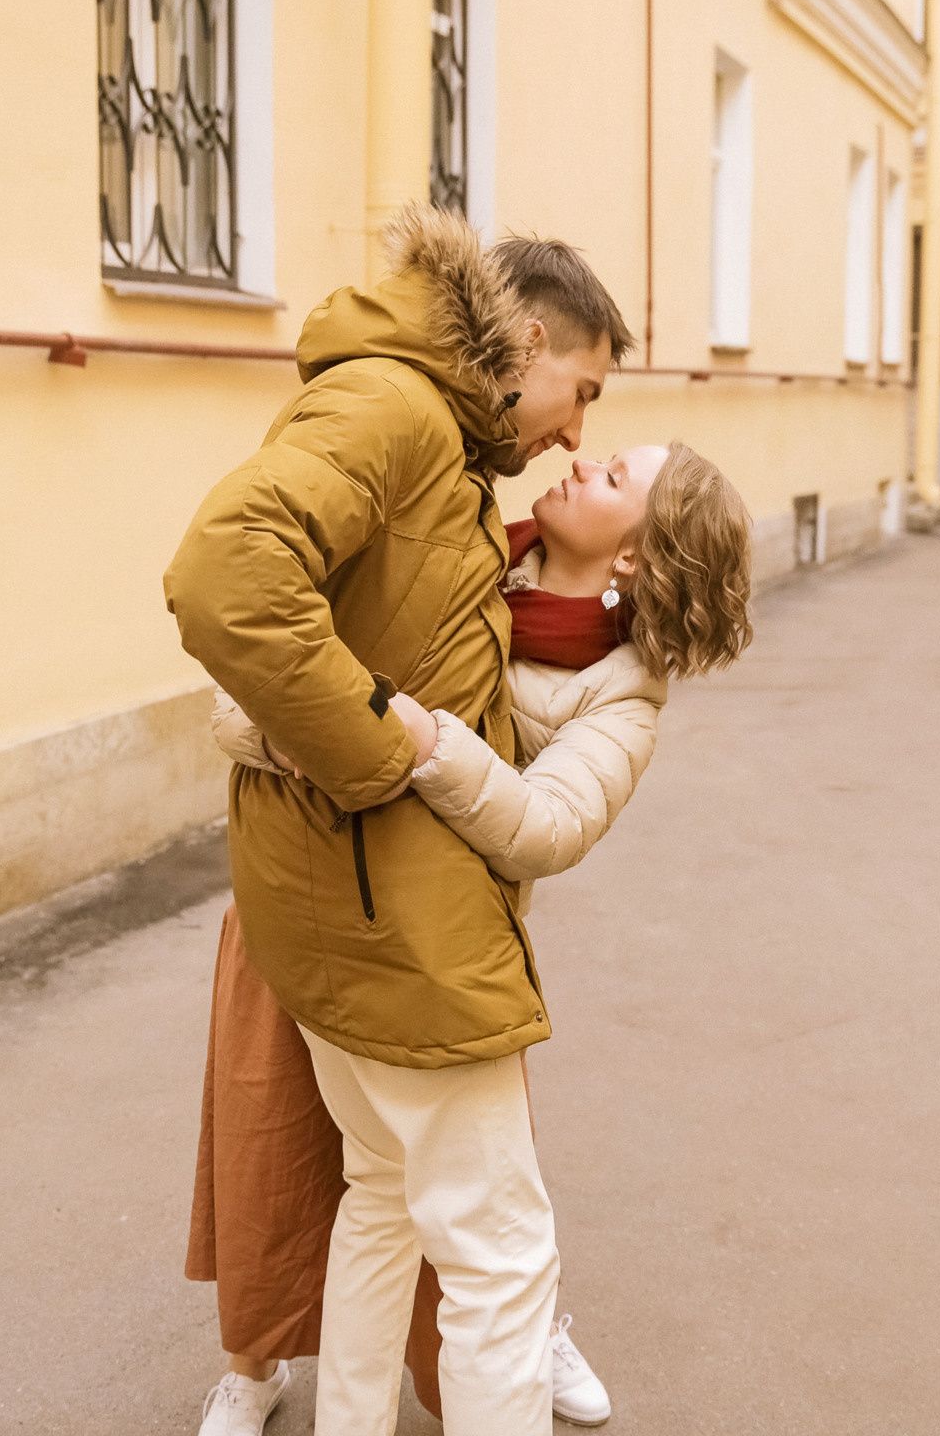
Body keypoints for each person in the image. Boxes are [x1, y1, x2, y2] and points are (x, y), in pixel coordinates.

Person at [164, 204, 630, 1436]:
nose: (576, 433)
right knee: (501, 1257)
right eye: (577, 392)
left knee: (378, 1196)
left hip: (345, 899)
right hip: (393, 913)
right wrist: (373, 747)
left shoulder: (435, 433)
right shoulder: (398, 408)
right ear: (526, 339)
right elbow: (224, 576)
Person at [196, 439, 755, 1432]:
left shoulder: (620, 689)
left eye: (616, 477)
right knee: (501, 1255)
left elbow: (547, 829)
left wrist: (421, 739)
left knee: (380, 1200)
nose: (582, 459)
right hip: (344, 929)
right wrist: (313, 736)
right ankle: (257, 1367)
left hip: (429, 949)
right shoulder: (458, 559)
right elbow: (253, 693)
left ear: (633, 557)